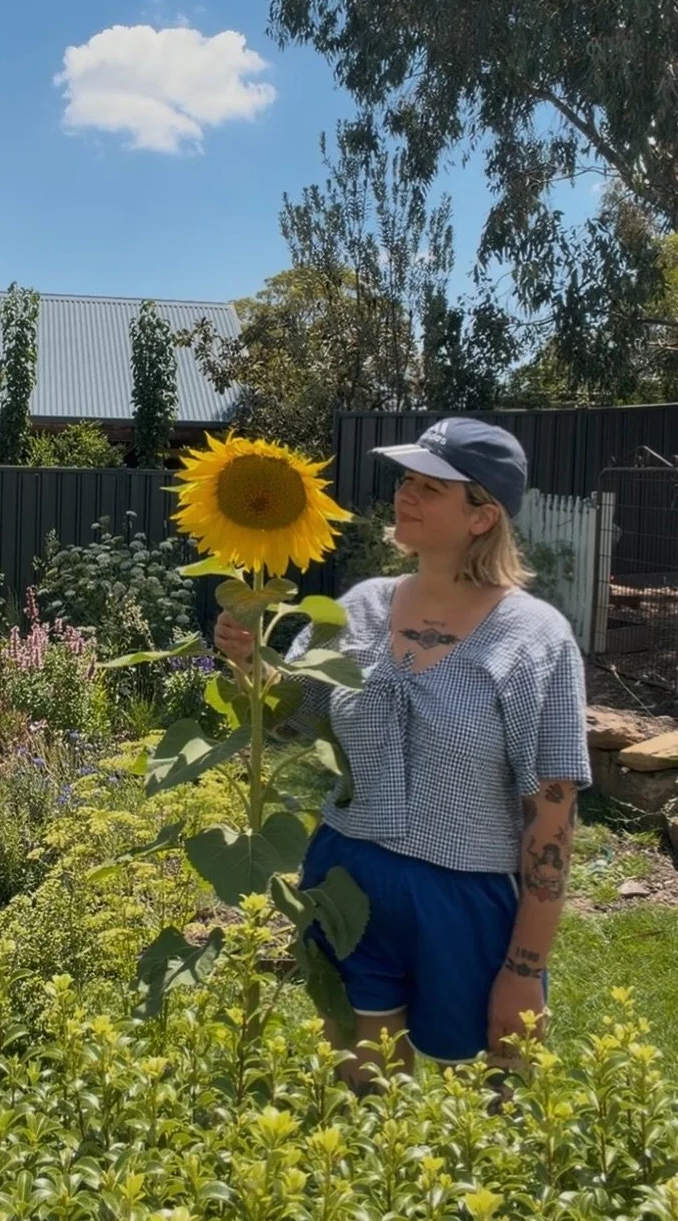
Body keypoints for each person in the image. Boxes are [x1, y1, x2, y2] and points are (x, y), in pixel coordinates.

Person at [215, 418, 591, 1089]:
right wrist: (250, 665)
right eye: (406, 481)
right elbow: (289, 723)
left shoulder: (534, 638)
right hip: (346, 878)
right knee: (360, 1090)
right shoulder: (358, 607)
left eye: (429, 486)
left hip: (464, 892)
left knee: (485, 1098)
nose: (403, 495)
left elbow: (550, 813)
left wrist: (525, 968)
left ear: (482, 516)